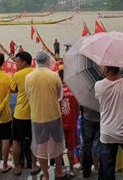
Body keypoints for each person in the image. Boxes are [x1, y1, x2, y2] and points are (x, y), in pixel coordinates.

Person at [25, 51, 66, 180]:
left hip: (37, 116)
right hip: (54, 115)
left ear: (36, 61)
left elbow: (28, 95)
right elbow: (60, 95)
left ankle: (46, 175)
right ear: (48, 61)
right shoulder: (54, 75)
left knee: (40, 146)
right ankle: (59, 172)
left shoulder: (29, 77)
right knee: (57, 144)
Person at [10, 51, 40, 176]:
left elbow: (13, 89)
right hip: (36, 112)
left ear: (23, 62)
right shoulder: (37, 73)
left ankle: (17, 166)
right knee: (35, 141)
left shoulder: (17, 75)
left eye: (17, 62)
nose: (16, 64)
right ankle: (33, 165)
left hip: (20, 114)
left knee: (16, 142)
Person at [59, 68, 79, 177]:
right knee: (71, 148)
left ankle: (60, 168)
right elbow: (77, 107)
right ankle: (71, 169)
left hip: (59, 123)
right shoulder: (73, 90)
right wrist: (75, 117)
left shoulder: (57, 90)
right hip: (71, 122)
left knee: (59, 148)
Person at [81, 107, 101, 178]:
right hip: (100, 117)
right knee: (97, 144)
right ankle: (97, 168)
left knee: (86, 144)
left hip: (87, 117)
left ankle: (86, 171)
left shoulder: (85, 95)